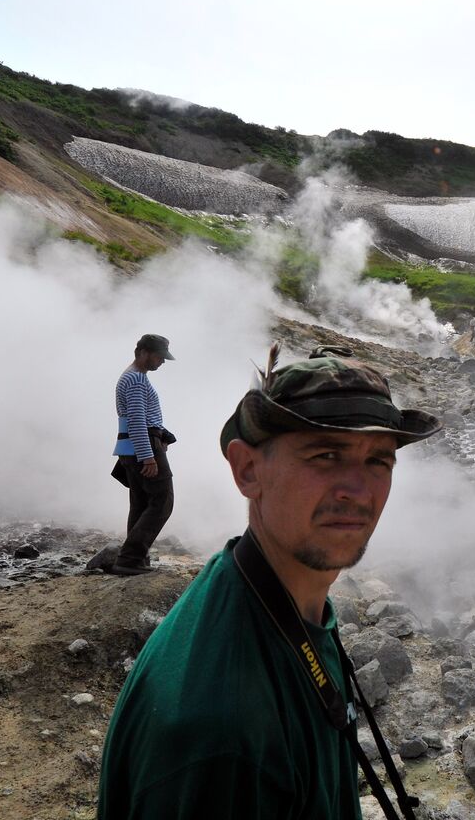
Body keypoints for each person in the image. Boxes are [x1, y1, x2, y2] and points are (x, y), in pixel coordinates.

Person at [98, 346, 440, 819]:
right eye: (325, 454)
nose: (357, 490)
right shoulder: (225, 736)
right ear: (248, 470)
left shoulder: (278, 595)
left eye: (378, 462)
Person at [110, 334, 177, 576]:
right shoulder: (136, 380)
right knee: (162, 501)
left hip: (132, 447)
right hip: (143, 446)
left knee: (140, 503)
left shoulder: (131, 376)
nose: (162, 361)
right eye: (159, 356)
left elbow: (140, 418)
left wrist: (164, 434)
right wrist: (148, 456)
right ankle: (130, 558)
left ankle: (135, 559)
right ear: (144, 352)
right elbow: (138, 421)